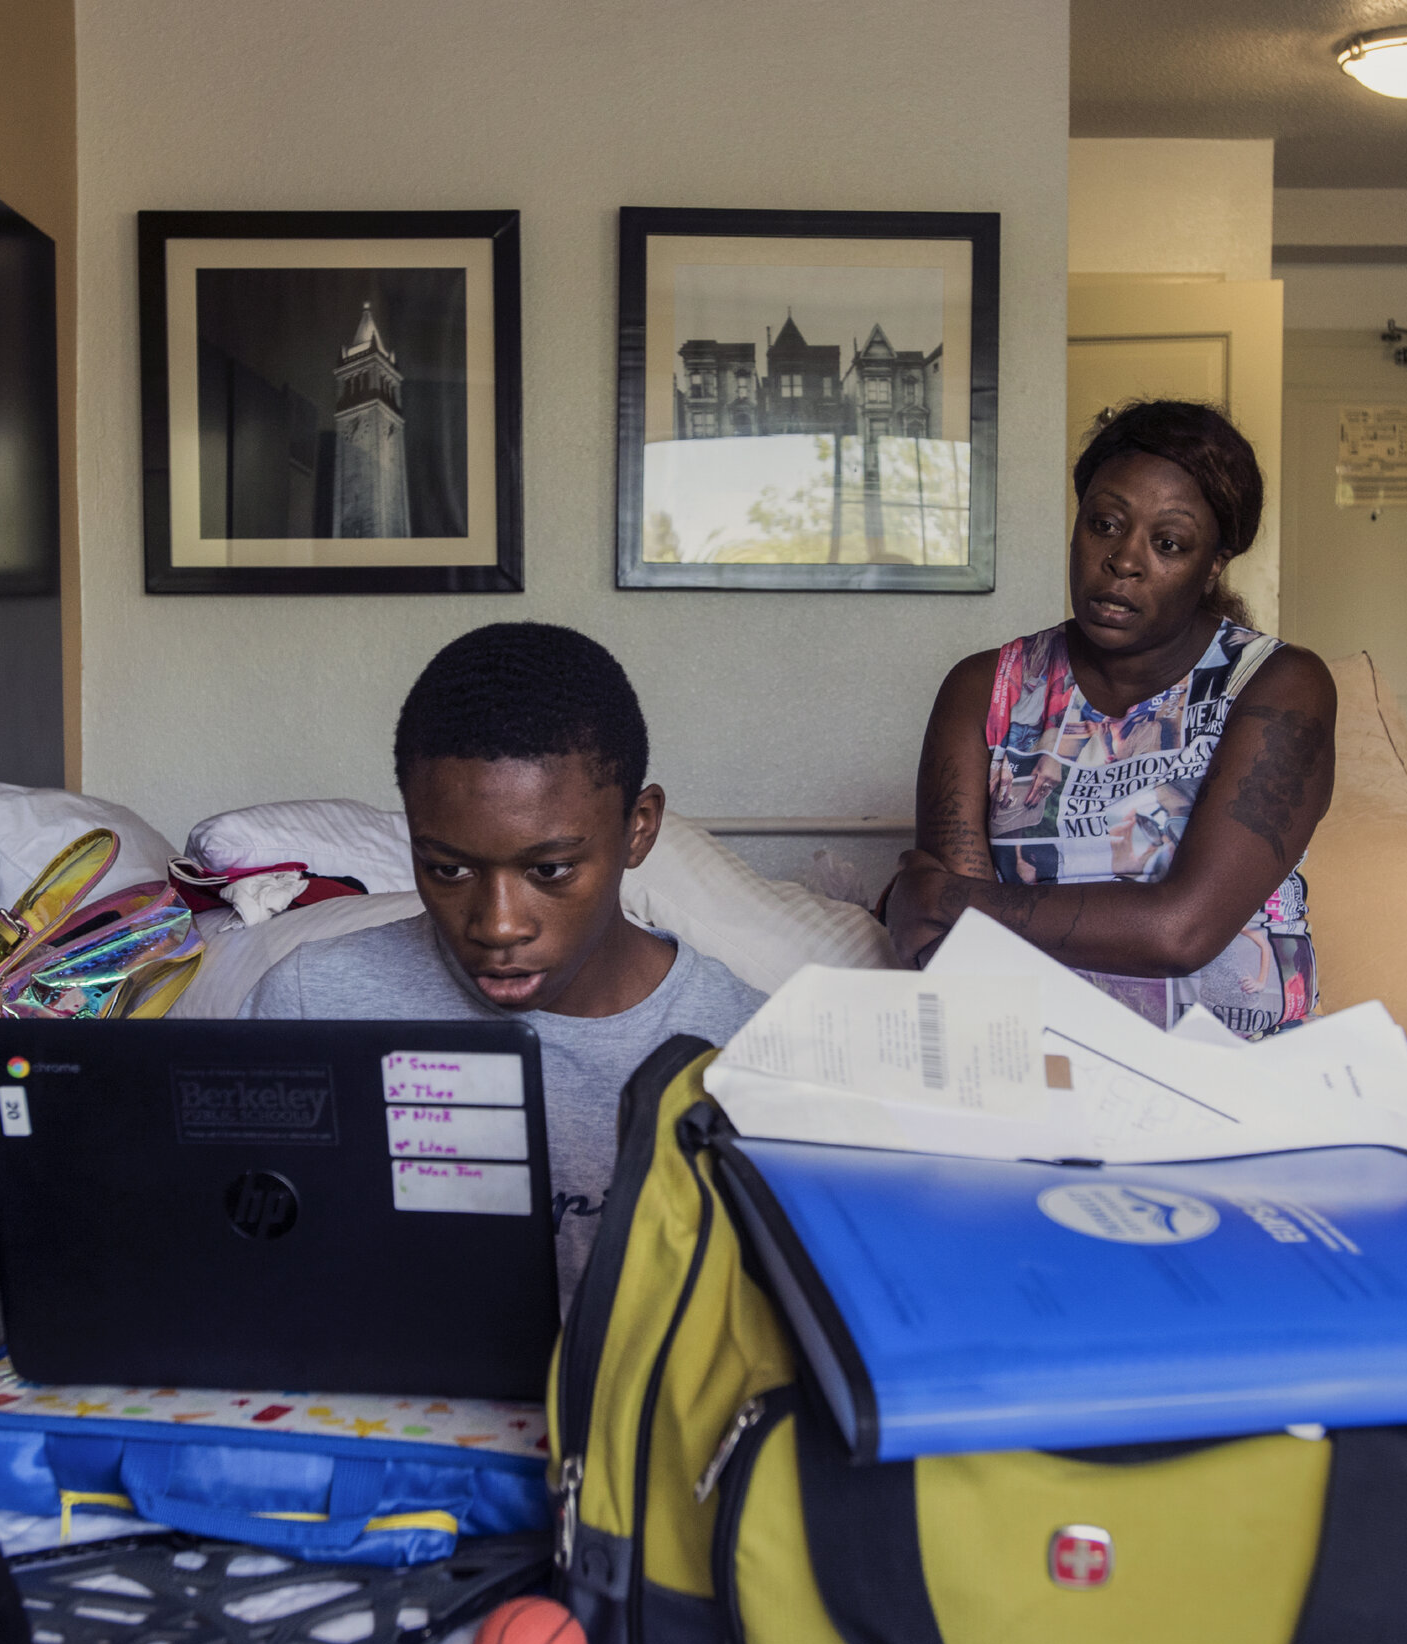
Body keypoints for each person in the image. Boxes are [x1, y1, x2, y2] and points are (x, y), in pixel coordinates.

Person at [244, 622, 765, 1301]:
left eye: (550, 869)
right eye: (448, 868)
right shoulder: (315, 1005)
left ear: (639, 828)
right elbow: (245, 1264)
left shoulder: (748, 1048)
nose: (498, 925)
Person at [884, 400, 1336, 1038]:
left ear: (1213, 563)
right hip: (1036, 1057)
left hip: (1242, 1070)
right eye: (1104, 524)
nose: (1124, 560)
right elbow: (953, 956)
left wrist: (944, 898)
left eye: (1168, 543)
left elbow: (1182, 931)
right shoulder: (986, 688)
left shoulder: (1279, 685)